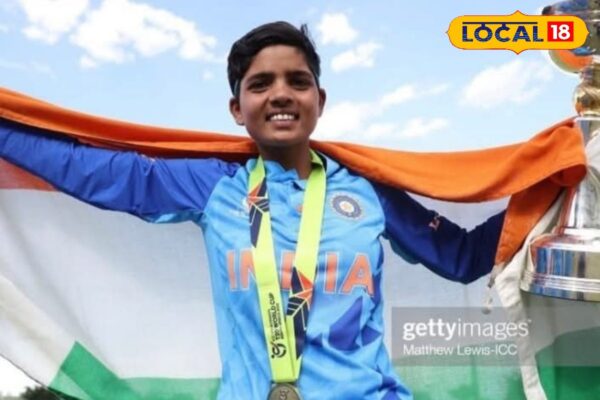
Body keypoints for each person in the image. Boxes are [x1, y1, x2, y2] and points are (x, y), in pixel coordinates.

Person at [0, 22, 504, 400]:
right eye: (260, 84)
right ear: (237, 109)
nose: (280, 93)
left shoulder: (369, 191)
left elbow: (461, 257)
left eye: (297, 81)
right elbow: (95, 171)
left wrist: (545, 191)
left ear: (319, 99)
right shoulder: (214, 186)